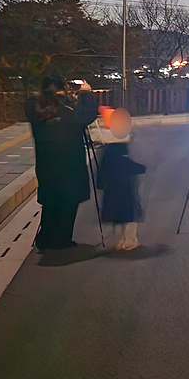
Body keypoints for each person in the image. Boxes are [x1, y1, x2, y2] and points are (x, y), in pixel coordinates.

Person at [25, 76, 99, 250]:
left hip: (46, 165)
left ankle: (45, 238)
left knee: (51, 201)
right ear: (61, 89)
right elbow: (87, 114)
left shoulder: (35, 107)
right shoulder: (68, 109)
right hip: (69, 165)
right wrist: (86, 94)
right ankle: (61, 240)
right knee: (68, 203)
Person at [97, 109, 146, 251]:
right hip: (125, 189)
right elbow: (127, 165)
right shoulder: (121, 148)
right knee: (129, 215)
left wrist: (100, 182)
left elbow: (103, 169)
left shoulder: (108, 151)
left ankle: (117, 240)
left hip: (111, 189)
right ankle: (129, 241)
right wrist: (142, 168)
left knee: (116, 216)